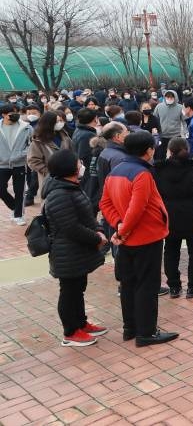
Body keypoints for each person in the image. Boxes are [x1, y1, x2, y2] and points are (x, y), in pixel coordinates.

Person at [99, 132, 179, 347]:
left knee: (128, 284)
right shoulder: (142, 173)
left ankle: (131, 328)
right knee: (147, 285)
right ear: (149, 150)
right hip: (145, 236)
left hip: (127, 238)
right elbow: (137, 208)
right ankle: (146, 332)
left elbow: (105, 203)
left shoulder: (115, 171)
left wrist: (118, 225)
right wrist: (123, 229)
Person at [44, 149, 108, 347]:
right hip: (67, 252)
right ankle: (70, 332)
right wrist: (96, 238)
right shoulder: (59, 194)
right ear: (68, 167)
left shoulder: (71, 186)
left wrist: (98, 229)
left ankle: (81, 323)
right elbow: (71, 227)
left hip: (77, 251)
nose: (81, 165)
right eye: (77, 162)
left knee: (78, 289)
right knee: (69, 291)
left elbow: (87, 216)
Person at [154, 138, 193, 300]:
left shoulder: (159, 168)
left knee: (171, 250)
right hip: (192, 215)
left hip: (169, 216)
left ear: (169, 151)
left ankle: (174, 287)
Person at [0, 103, 32, 225]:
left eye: (16, 112)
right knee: (1, 189)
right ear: (3, 115)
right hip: (2, 164)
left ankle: (18, 215)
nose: (15, 115)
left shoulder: (26, 128)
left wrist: (21, 154)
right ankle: (14, 206)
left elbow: (32, 145)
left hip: (19, 163)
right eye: (11, 113)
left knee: (19, 190)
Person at [27, 111, 72, 192]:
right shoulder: (38, 140)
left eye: (60, 121)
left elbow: (72, 152)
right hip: (49, 180)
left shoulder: (64, 135)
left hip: (67, 176)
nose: (60, 123)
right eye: (57, 121)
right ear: (49, 123)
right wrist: (49, 172)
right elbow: (33, 161)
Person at [153, 90, 184, 161]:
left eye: (171, 97)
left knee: (176, 154)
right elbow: (154, 118)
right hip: (162, 135)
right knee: (160, 154)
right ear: (165, 97)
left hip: (175, 135)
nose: (169, 98)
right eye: (167, 97)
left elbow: (184, 120)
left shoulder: (180, 107)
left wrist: (186, 131)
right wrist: (155, 131)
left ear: (175, 97)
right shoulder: (159, 106)